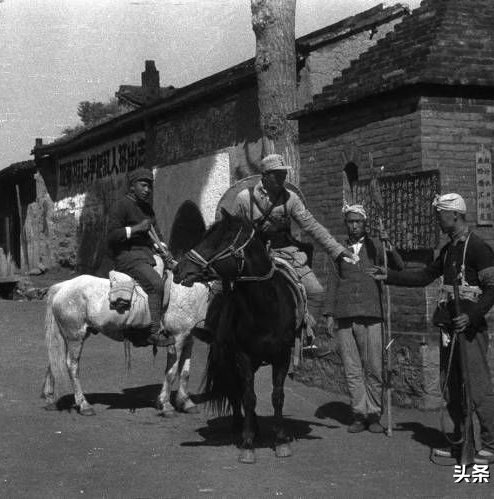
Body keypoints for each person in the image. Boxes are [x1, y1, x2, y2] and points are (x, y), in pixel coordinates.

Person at [370, 193, 494, 465]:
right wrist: (390, 276)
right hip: (448, 329)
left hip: (469, 330)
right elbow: (424, 276)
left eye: (440, 214)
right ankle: (461, 440)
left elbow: (493, 290)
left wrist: (472, 316)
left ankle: (491, 444)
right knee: (451, 387)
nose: (437, 220)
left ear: (454, 214)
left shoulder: (478, 248)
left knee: (476, 387)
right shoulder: (449, 249)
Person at [193, 153, 358, 350]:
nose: (282, 178)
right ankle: (210, 325)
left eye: (283, 174)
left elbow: (312, 226)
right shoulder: (244, 199)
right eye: (277, 174)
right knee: (221, 284)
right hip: (250, 254)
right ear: (265, 175)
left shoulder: (291, 199)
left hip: (285, 251)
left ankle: (305, 335)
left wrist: (337, 251)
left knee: (316, 292)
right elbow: (231, 231)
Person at [324, 204, 403, 433]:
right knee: (352, 368)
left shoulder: (375, 245)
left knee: (375, 367)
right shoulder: (338, 249)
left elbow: (398, 266)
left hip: (372, 313)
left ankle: (374, 414)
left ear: (365, 223)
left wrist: (389, 243)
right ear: (346, 223)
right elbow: (333, 282)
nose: (354, 225)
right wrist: (329, 315)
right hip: (345, 314)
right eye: (350, 221)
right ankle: (359, 413)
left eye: (358, 221)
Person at [106, 167, 174, 347]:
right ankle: (153, 332)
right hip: (127, 257)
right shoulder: (120, 206)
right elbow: (111, 236)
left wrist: (165, 250)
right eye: (143, 185)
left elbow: (157, 234)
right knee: (156, 284)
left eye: (150, 186)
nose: (147, 190)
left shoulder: (147, 209)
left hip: (147, 256)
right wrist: (136, 229)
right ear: (132, 187)